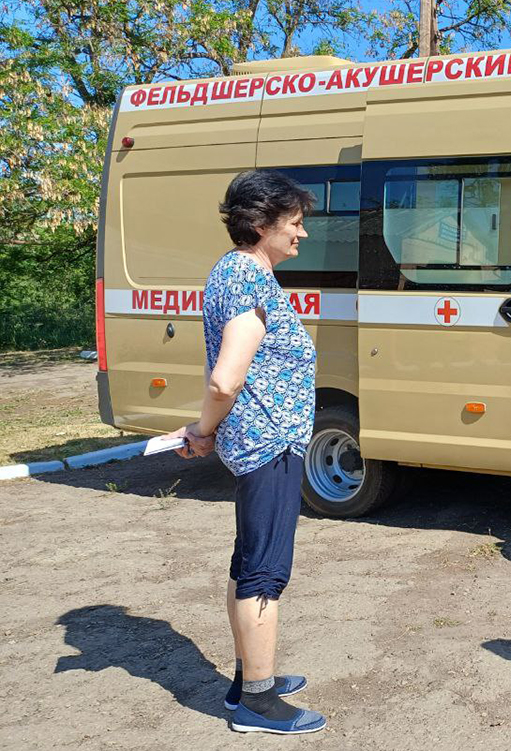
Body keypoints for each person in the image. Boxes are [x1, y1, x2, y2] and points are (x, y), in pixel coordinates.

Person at [163, 170, 325, 735]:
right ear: (261, 225)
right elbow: (226, 379)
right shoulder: (245, 278)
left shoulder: (244, 273)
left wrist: (211, 429)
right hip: (269, 443)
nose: (302, 234)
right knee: (264, 571)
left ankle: (248, 679)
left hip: (263, 439)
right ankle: (257, 702)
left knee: (249, 560)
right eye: (295, 224)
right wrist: (202, 430)